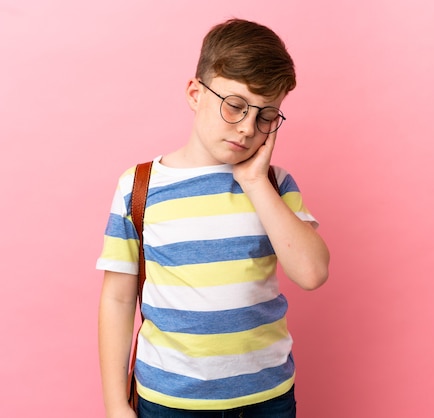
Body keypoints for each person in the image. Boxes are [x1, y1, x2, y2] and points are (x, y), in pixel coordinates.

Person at [96, 18, 330, 418]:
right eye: (235, 106)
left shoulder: (274, 186)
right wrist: (116, 403)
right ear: (194, 93)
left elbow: (311, 273)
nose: (246, 129)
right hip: (170, 402)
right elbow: (117, 299)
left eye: (265, 116)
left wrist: (255, 181)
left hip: (266, 399)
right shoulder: (139, 187)